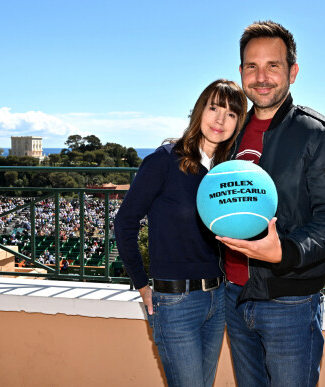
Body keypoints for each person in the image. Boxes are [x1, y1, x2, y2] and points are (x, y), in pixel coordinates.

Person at [216, 21, 325, 386]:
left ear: (292, 71)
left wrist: (286, 252)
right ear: (241, 72)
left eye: (272, 65)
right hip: (234, 295)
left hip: (289, 303)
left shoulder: (318, 134)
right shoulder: (229, 134)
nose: (261, 77)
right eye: (251, 66)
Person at [114, 79, 247, 386]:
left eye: (231, 114)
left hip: (217, 298)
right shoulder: (164, 161)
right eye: (214, 108)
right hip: (175, 301)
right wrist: (141, 285)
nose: (220, 120)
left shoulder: (227, 172)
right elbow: (124, 223)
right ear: (199, 110)